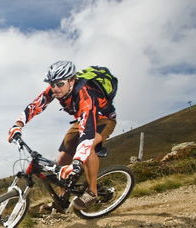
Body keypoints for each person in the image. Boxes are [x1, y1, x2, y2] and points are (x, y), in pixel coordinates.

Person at [7, 60, 117, 210]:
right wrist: (18, 125)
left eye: (60, 84)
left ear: (71, 80)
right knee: (62, 158)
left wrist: (77, 163)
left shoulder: (86, 95)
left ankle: (92, 192)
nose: (55, 88)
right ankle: (62, 200)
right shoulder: (55, 88)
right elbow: (36, 105)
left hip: (103, 119)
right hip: (82, 119)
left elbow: (87, 132)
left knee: (88, 147)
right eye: (52, 84)